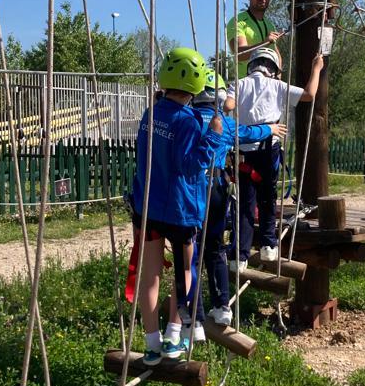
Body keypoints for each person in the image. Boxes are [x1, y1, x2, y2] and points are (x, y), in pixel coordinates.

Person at [129, 48, 223, 365]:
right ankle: (173, 337)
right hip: (180, 211)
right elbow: (189, 166)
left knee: (150, 275)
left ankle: (151, 343)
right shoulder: (188, 120)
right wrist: (213, 136)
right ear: (196, 82)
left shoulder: (150, 114)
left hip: (147, 206)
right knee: (184, 272)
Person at [192, 69, 287, 326]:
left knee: (191, 249)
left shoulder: (187, 119)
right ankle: (223, 306)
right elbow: (248, 133)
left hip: (191, 187)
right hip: (218, 185)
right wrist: (269, 128)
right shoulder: (225, 123)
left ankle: (194, 314)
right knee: (215, 247)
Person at [230, 46, 324, 266]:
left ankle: (240, 256)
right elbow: (310, 94)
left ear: (251, 66)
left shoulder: (238, 84)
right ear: (272, 68)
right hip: (268, 149)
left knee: (245, 204)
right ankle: (268, 245)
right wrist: (316, 68)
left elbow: (228, 104)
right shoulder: (277, 85)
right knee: (267, 199)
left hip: (244, 150)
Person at [226, 0, 284, 78]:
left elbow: (276, 54)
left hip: (269, 88)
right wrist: (264, 43)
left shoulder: (269, 25)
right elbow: (239, 54)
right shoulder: (238, 22)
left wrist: (278, 78)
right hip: (247, 88)